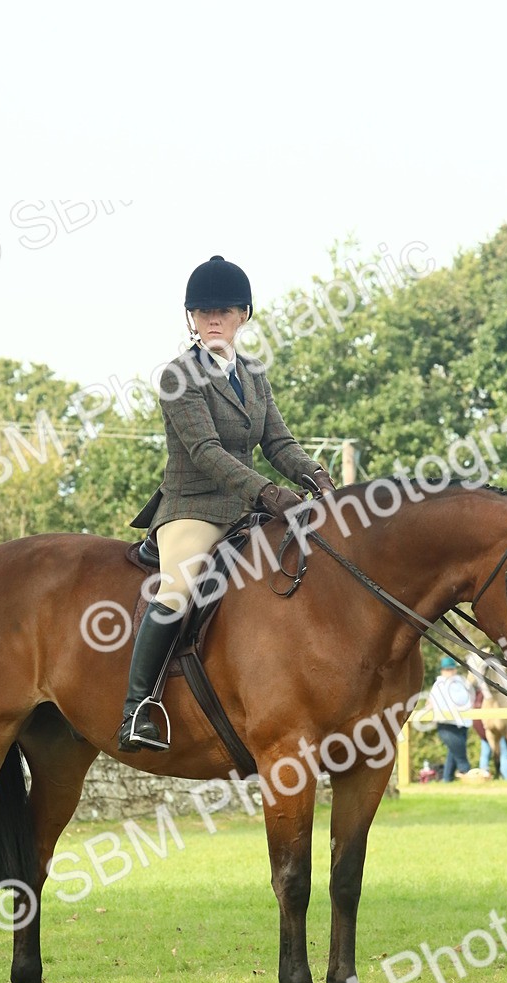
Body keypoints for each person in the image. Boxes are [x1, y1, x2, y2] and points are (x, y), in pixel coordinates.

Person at [118, 255, 336, 753]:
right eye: (203, 311)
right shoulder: (178, 375)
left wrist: (317, 479)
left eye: (225, 310)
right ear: (191, 318)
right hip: (193, 508)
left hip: (247, 510)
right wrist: (268, 493)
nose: (213, 319)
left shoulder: (254, 375)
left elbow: (279, 443)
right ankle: (137, 709)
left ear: (244, 315)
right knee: (178, 588)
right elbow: (206, 452)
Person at [428, 656, 474, 782]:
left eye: (451, 669)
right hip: (446, 725)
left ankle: (447, 779)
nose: (450, 671)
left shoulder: (460, 682)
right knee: (460, 756)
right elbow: (434, 703)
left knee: (453, 753)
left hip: (462, 723)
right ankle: (467, 774)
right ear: (442, 670)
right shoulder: (439, 685)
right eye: (447, 669)